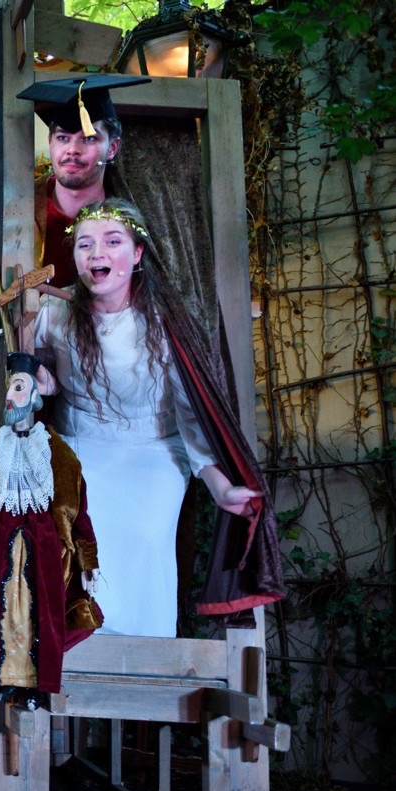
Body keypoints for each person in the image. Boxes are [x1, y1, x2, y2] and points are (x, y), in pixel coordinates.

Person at [32, 198, 265, 637]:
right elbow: (41, 370)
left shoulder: (164, 321)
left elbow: (190, 409)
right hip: (81, 448)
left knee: (146, 537)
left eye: (112, 242)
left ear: (137, 253)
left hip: (154, 450)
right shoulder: (53, 313)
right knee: (78, 538)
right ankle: (77, 646)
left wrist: (218, 483)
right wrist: (41, 381)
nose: (96, 253)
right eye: (85, 244)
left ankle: (145, 650)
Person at [0, 352, 101, 706]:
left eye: (18, 387)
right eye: (9, 388)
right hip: (1, 547)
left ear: (34, 397)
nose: (10, 396)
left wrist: (88, 561)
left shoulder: (58, 453)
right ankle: (4, 678)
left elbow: (77, 509)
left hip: (44, 551)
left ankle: (34, 686)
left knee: (38, 614)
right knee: (3, 612)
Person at [16, 74, 148, 289]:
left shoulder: (128, 218)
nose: (73, 150)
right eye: (63, 138)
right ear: (50, 143)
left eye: (89, 138)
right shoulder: (20, 208)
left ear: (112, 148)